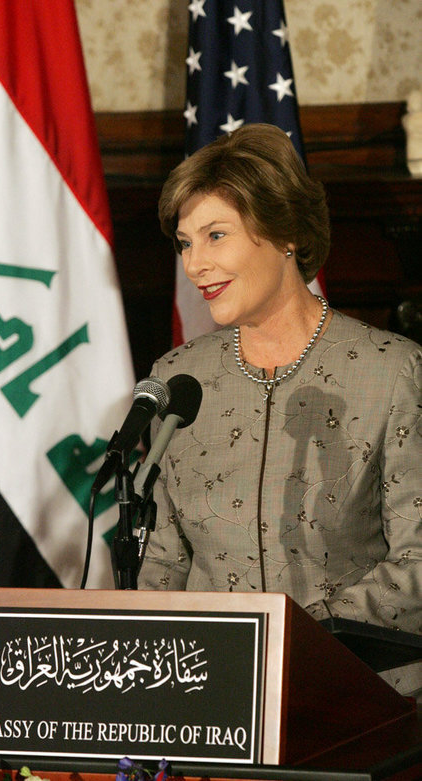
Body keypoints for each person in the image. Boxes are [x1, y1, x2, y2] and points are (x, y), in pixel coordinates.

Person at [137, 123, 421, 698]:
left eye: (215, 236)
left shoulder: (392, 370)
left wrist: (296, 642)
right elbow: (164, 564)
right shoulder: (177, 379)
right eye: (186, 243)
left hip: (360, 693)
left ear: (285, 233)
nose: (194, 266)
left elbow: (418, 565)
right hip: (211, 700)